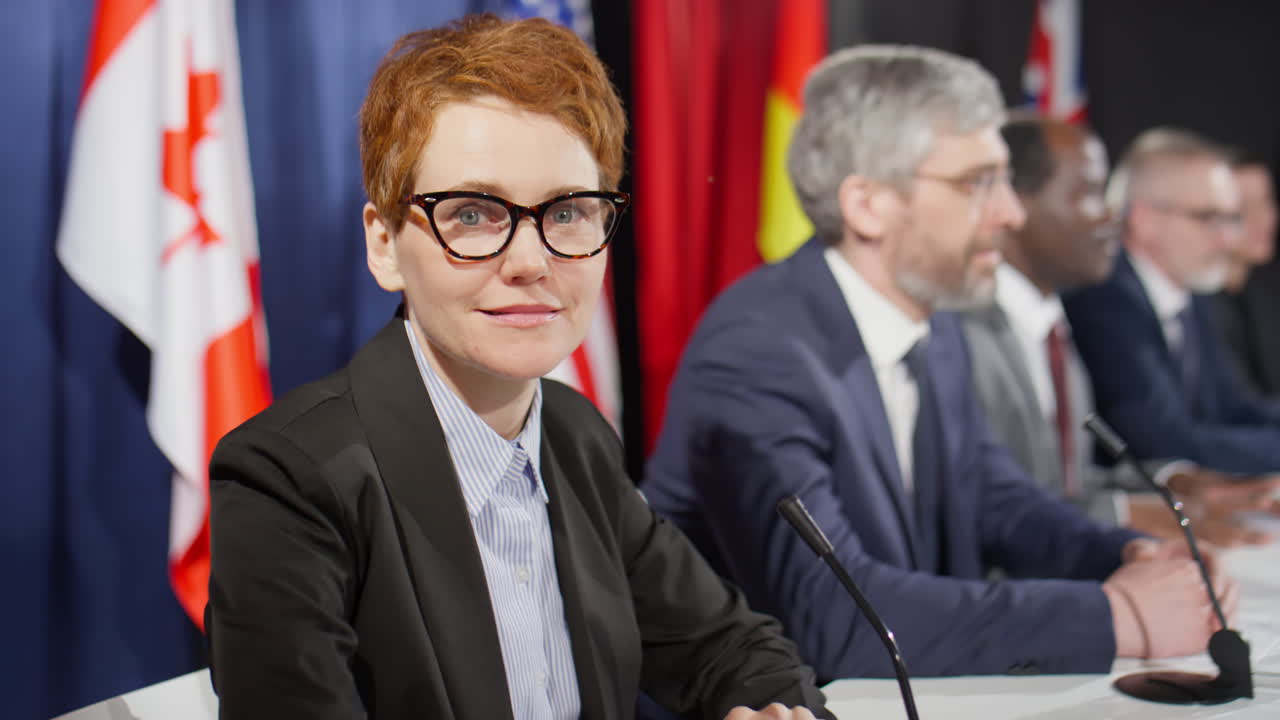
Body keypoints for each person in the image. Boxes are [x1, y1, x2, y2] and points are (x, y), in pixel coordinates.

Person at [205, 15, 831, 720]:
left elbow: (733, 651)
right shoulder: (287, 480)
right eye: (473, 215)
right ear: (384, 245)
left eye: (567, 212)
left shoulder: (573, 434)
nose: (532, 262)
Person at [642, 45, 1236, 682]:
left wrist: (1126, 555)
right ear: (868, 204)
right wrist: (1113, 616)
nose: (1009, 213)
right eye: (977, 183)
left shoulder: (938, 323)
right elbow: (832, 616)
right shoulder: (758, 352)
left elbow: (994, 497)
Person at [963, 116, 1277, 546]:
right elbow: (997, 509)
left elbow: (1068, 482)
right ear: (1014, 205)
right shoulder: (971, 333)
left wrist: (1179, 483)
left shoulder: (1050, 323)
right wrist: (1142, 514)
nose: (1113, 216)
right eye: (1090, 194)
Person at [1063, 128, 1280, 475]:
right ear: (1145, 220)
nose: (1229, 239)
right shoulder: (1105, 298)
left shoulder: (1187, 292)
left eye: (1232, 218)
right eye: (1210, 218)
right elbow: (1162, 444)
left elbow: (1233, 407)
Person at [1209, 155, 1280, 396]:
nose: (1263, 219)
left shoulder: (1261, 294)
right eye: (1243, 208)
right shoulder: (1200, 311)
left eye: (1267, 200)